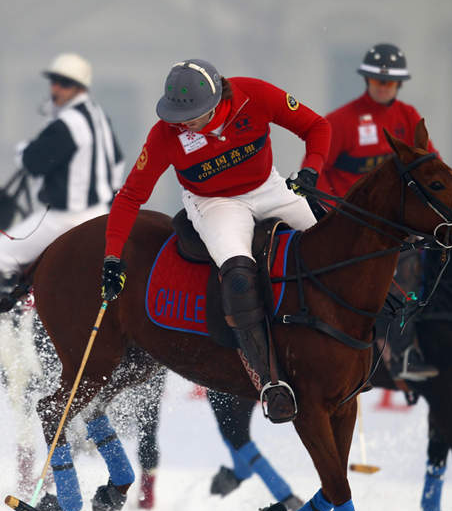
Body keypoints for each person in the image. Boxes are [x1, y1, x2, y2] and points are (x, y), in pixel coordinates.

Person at [101, 59, 330, 419]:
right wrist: (112, 257)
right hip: (214, 203)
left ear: (217, 99)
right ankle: (269, 382)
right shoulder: (165, 135)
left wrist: (311, 170)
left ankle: (369, 341)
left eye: (192, 114)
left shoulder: (254, 95)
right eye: (178, 114)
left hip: (269, 188)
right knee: (239, 274)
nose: (182, 122)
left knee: (328, 247)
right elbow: (131, 196)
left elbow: (316, 126)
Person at [0, 52, 125, 338]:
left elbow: (33, 162)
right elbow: (117, 163)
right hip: (101, 214)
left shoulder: (67, 123)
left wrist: (21, 152)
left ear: (80, 88)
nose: (56, 89)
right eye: (54, 82)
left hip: (66, 218)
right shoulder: (99, 116)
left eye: (64, 84)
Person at [320, 43, 439, 381]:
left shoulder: (408, 118)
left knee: (436, 263)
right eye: (376, 80)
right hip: (352, 228)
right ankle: (395, 353)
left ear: (399, 85)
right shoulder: (342, 121)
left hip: (396, 225)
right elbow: (317, 169)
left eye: (388, 82)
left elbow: (431, 168)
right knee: (400, 274)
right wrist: (335, 211)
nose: (382, 86)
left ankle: (420, 344)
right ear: (366, 80)